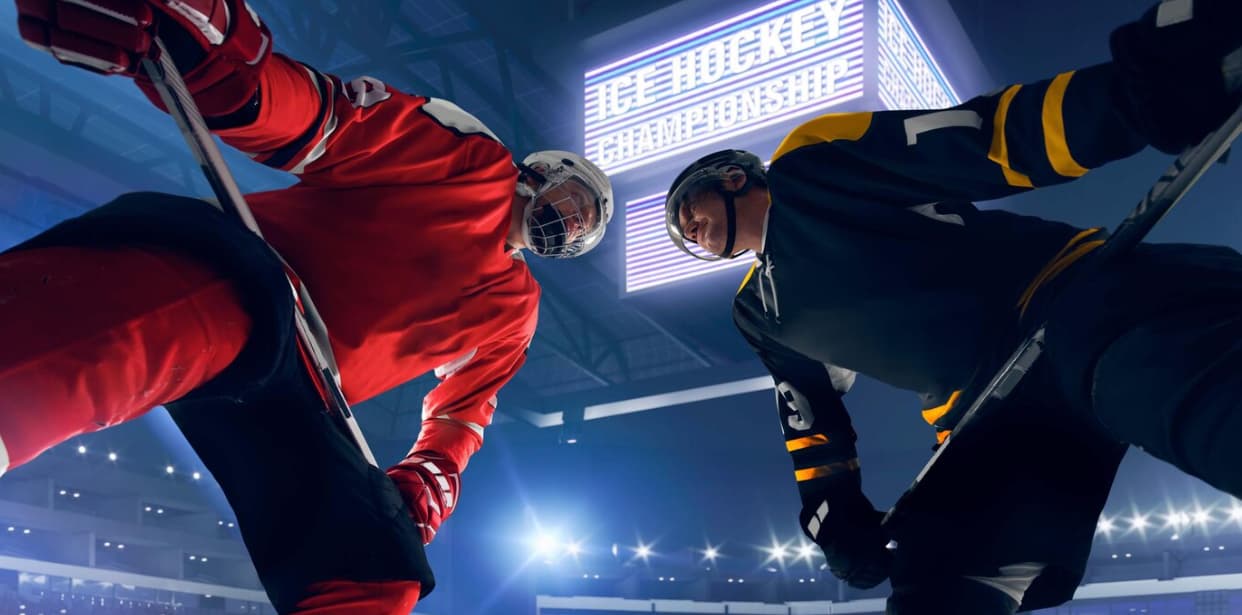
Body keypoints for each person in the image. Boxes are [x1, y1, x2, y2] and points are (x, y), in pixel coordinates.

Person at [3, 0, 613, 613]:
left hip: (299, 387)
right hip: (247, 276)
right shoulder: (473, 162)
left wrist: (432, 472)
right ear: (539, 172)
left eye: (583, 223)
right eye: (573, 199)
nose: (571, 220)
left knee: (375, 568)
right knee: (108, 345)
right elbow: (329, 125)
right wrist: (227, 71)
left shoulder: (516, 312)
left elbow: (464, 414)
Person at [664, 1, 1241, 612]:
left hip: (1068, 301)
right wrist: (834, 509)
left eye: (689, 210)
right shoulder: (756, 313)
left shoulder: (808, 166)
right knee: (936, 584)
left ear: (730, 177)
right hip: (985, 415)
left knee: (1198, 405)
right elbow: (810, 416)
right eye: (682, 233)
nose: (689, 230)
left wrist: (1124, 98)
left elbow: (980, 142)